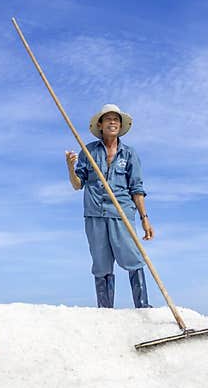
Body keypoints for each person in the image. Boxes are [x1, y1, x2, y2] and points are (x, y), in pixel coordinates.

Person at [65, 104, 153, 308]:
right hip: (94, 214)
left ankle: (143, 308)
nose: (113, 122)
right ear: (100, 125)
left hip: (121, 213)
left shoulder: (129, 154)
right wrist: (70, 167)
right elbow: (78, 185)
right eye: (108, 119)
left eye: (116, 119)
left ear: (120, 126)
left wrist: (145, 219)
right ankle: (105, 312)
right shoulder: (88, 151)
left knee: (132, 257)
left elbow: (137, 189)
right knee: (101, 263)